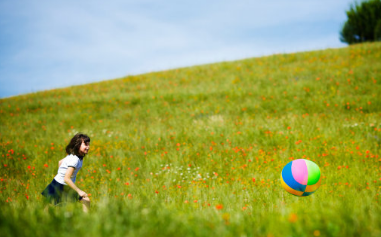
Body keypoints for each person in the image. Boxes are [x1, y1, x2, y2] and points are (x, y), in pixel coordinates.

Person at [42, 133, 91, 212]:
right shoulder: (75, 160)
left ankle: (86, 220)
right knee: (48, 209)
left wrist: (60, 174)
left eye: (88, 144)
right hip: (59, 186)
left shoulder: (75, 155)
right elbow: (66, 179)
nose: (88, 147)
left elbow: (60, 162)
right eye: (85, 144)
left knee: (86, 200)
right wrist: (79, 191)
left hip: (63, 185)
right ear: (78, 145)